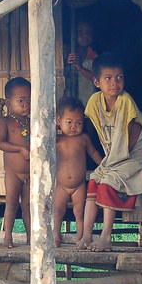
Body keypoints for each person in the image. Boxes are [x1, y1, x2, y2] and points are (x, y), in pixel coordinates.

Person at [76, 54, 142, 252]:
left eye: (119, 77)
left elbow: (133, 132)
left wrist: (117, 159)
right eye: (108, 78)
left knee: (108, 183)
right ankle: (86, 236)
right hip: (113, 156)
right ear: (97, 82)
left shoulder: (126, 101)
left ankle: (106, 237)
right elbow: (94, 130)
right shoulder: (94, 102)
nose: (115, 83)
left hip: (133, 156)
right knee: (93, 182)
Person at [53, 96, 103, 247]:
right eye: (69, 122)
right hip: (61, 185)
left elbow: (94, 153)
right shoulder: (56, 139)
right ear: (58, 121)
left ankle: (81, 238)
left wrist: (103, 164)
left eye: (79, 123)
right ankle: (55, 236)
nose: (74, 126)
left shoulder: (83, 139)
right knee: (57, 211)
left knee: (80, 212)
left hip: (79, 185)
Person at [0, 77, 31, 248]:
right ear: (8, 103)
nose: (26, 104)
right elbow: (0, 143)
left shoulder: (31, 122)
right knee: (12, 204)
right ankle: (8, 237)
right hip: (13, 173)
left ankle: (32, 237)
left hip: (30, 173)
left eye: (29, 100)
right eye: (21, 100)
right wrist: (20, 149)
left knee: (28, 206)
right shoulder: (6, 122)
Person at [67, 19, 98, 103]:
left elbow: (97, 79)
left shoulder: (94, 57)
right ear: (73, 34)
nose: (85, 36)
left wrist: (80, 67)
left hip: (87, 103)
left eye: (88, 33)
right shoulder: (65, 53)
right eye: (80, 33)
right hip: (68, 102)